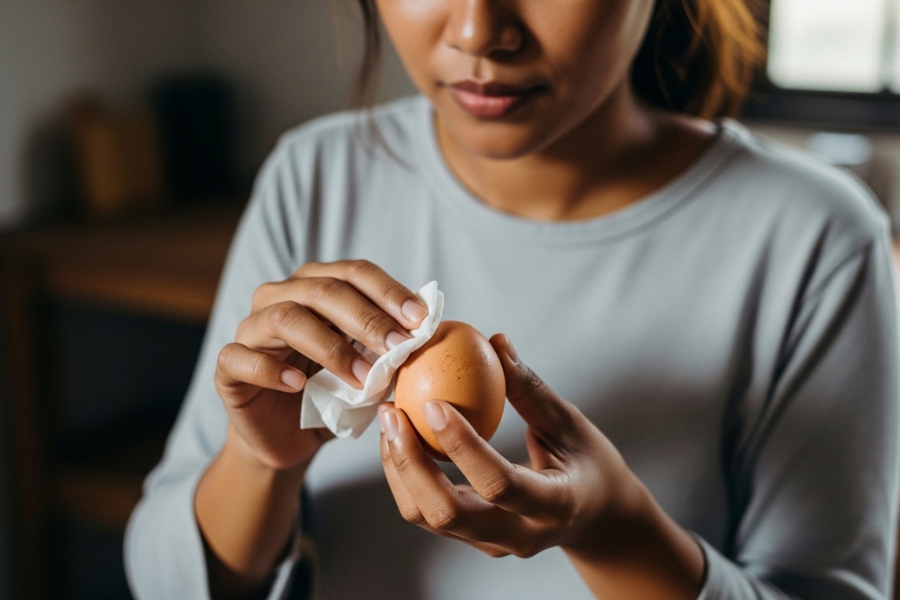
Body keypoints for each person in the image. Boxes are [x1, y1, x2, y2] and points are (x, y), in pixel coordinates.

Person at [124, 0, 900, 598]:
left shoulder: (816, 236)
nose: (477, 31)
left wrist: (614, 531)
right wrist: (260, 460)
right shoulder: (317, 176)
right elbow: (159, 582)